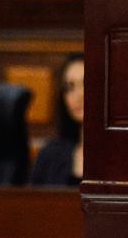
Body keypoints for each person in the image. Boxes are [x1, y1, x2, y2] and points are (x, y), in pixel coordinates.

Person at [31, 53, 84, 186]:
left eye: (86, 84)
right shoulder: (50, 155)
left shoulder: (120, 157)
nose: (79, 95)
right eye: (69, 88)